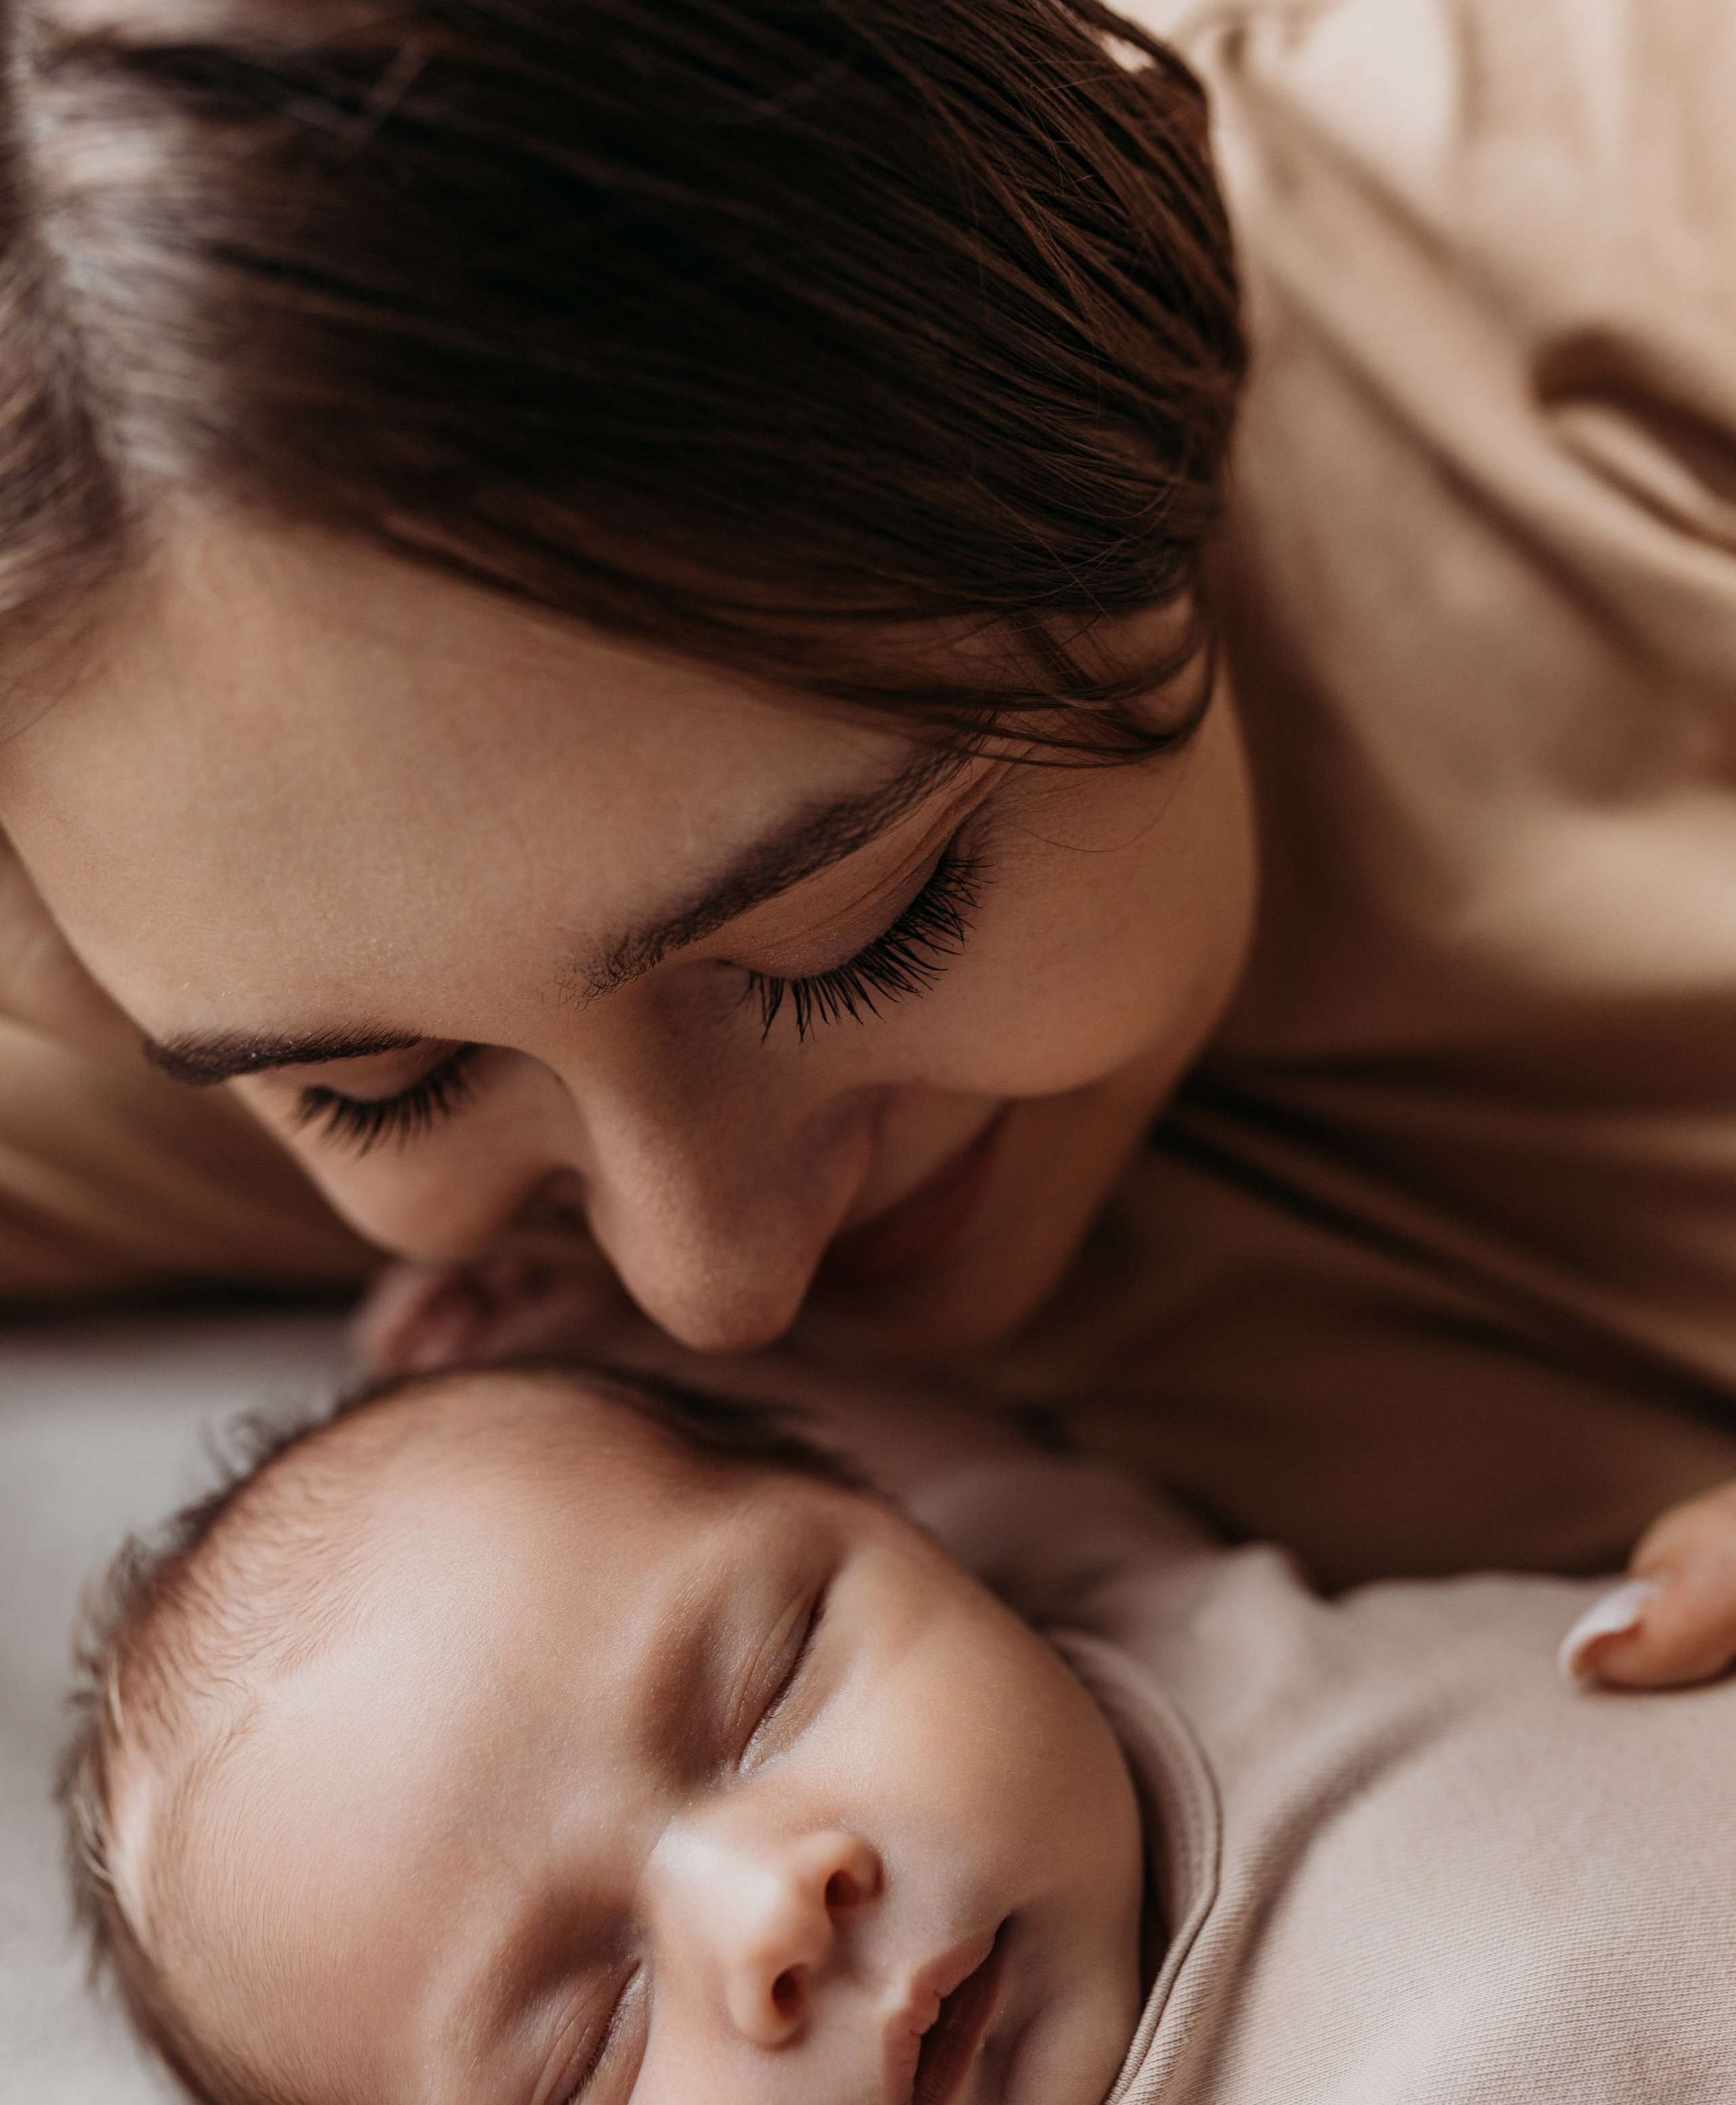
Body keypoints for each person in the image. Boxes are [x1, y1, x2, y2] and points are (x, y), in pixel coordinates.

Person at [7, 0, 1736, 1676]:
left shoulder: (1621, 195)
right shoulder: (227, 984)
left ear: (1131, 363)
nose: (712, 1290)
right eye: (378, 1087)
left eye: (858, 928)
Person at [60, 1350, 1736, 2105]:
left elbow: (870, 1402)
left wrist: (546, 1310)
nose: (772, 1910)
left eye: (766, 1689)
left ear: (916, 1549)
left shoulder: (1091, 1616)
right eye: (592, 2044)